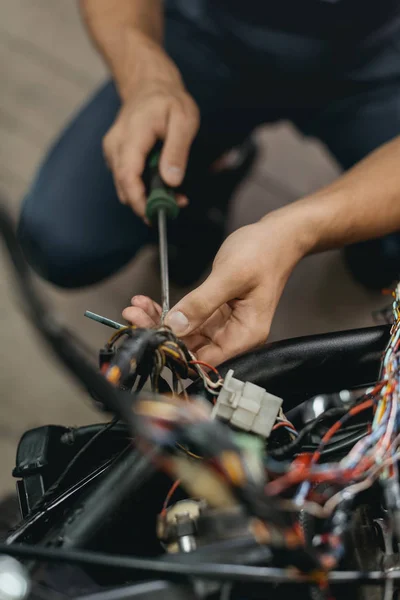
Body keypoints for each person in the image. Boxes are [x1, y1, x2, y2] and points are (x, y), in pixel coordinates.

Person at [17, 0, 400, 366]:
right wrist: (146, 77)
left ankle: (370, 244)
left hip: (379, 58)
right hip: (214, 32)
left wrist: (299, 230)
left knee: (388, 255)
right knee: (63, 240)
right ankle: (214, 177)